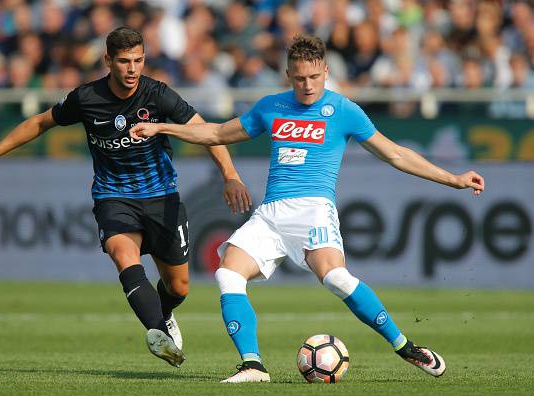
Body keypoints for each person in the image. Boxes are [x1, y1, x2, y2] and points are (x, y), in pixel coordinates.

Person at [130, 34, 485, 382]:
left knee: (336, 278)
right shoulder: (272, 106)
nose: (307, 85)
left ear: (326, 72)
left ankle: (406, 347)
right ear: (288, 74)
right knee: (228, 274)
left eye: (314, 77)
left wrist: (452, 178)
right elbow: (216, 133)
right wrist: (161, 127)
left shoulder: (343, 110)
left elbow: (395, 153)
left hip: (313, 209)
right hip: (270, 215)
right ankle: (253, 366)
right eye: (299, 78)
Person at [0, 27, 252, 368]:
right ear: (108, 61)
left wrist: (230, 176)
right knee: (122, 253)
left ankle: (165, 312)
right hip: (113, 196)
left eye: (139, 61)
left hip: (163, 198)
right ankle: (159, 333)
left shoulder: (157, 94)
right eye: (125, 61)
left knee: (179, 286)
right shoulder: (86, 98)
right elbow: (41, 123)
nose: (133, 69)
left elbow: (206, 131)